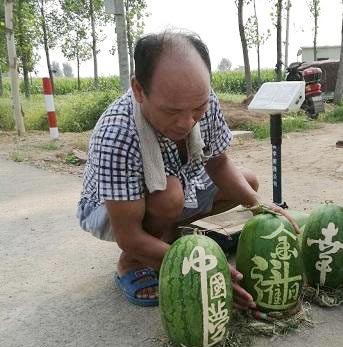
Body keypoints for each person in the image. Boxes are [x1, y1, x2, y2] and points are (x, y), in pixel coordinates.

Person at [77, 29, 298, 309]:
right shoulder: (117, 134)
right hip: (110, 210)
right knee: (169, 197)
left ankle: (167, 240)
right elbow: (128, 235)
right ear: (138, 90)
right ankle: (132, 262)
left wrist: (259, 206)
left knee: (248, 184)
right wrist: (204, 268)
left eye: (198, 108)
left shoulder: (204, 100)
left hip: (177, 187)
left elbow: (217, 162)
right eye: (171, 112)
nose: (187, 123)